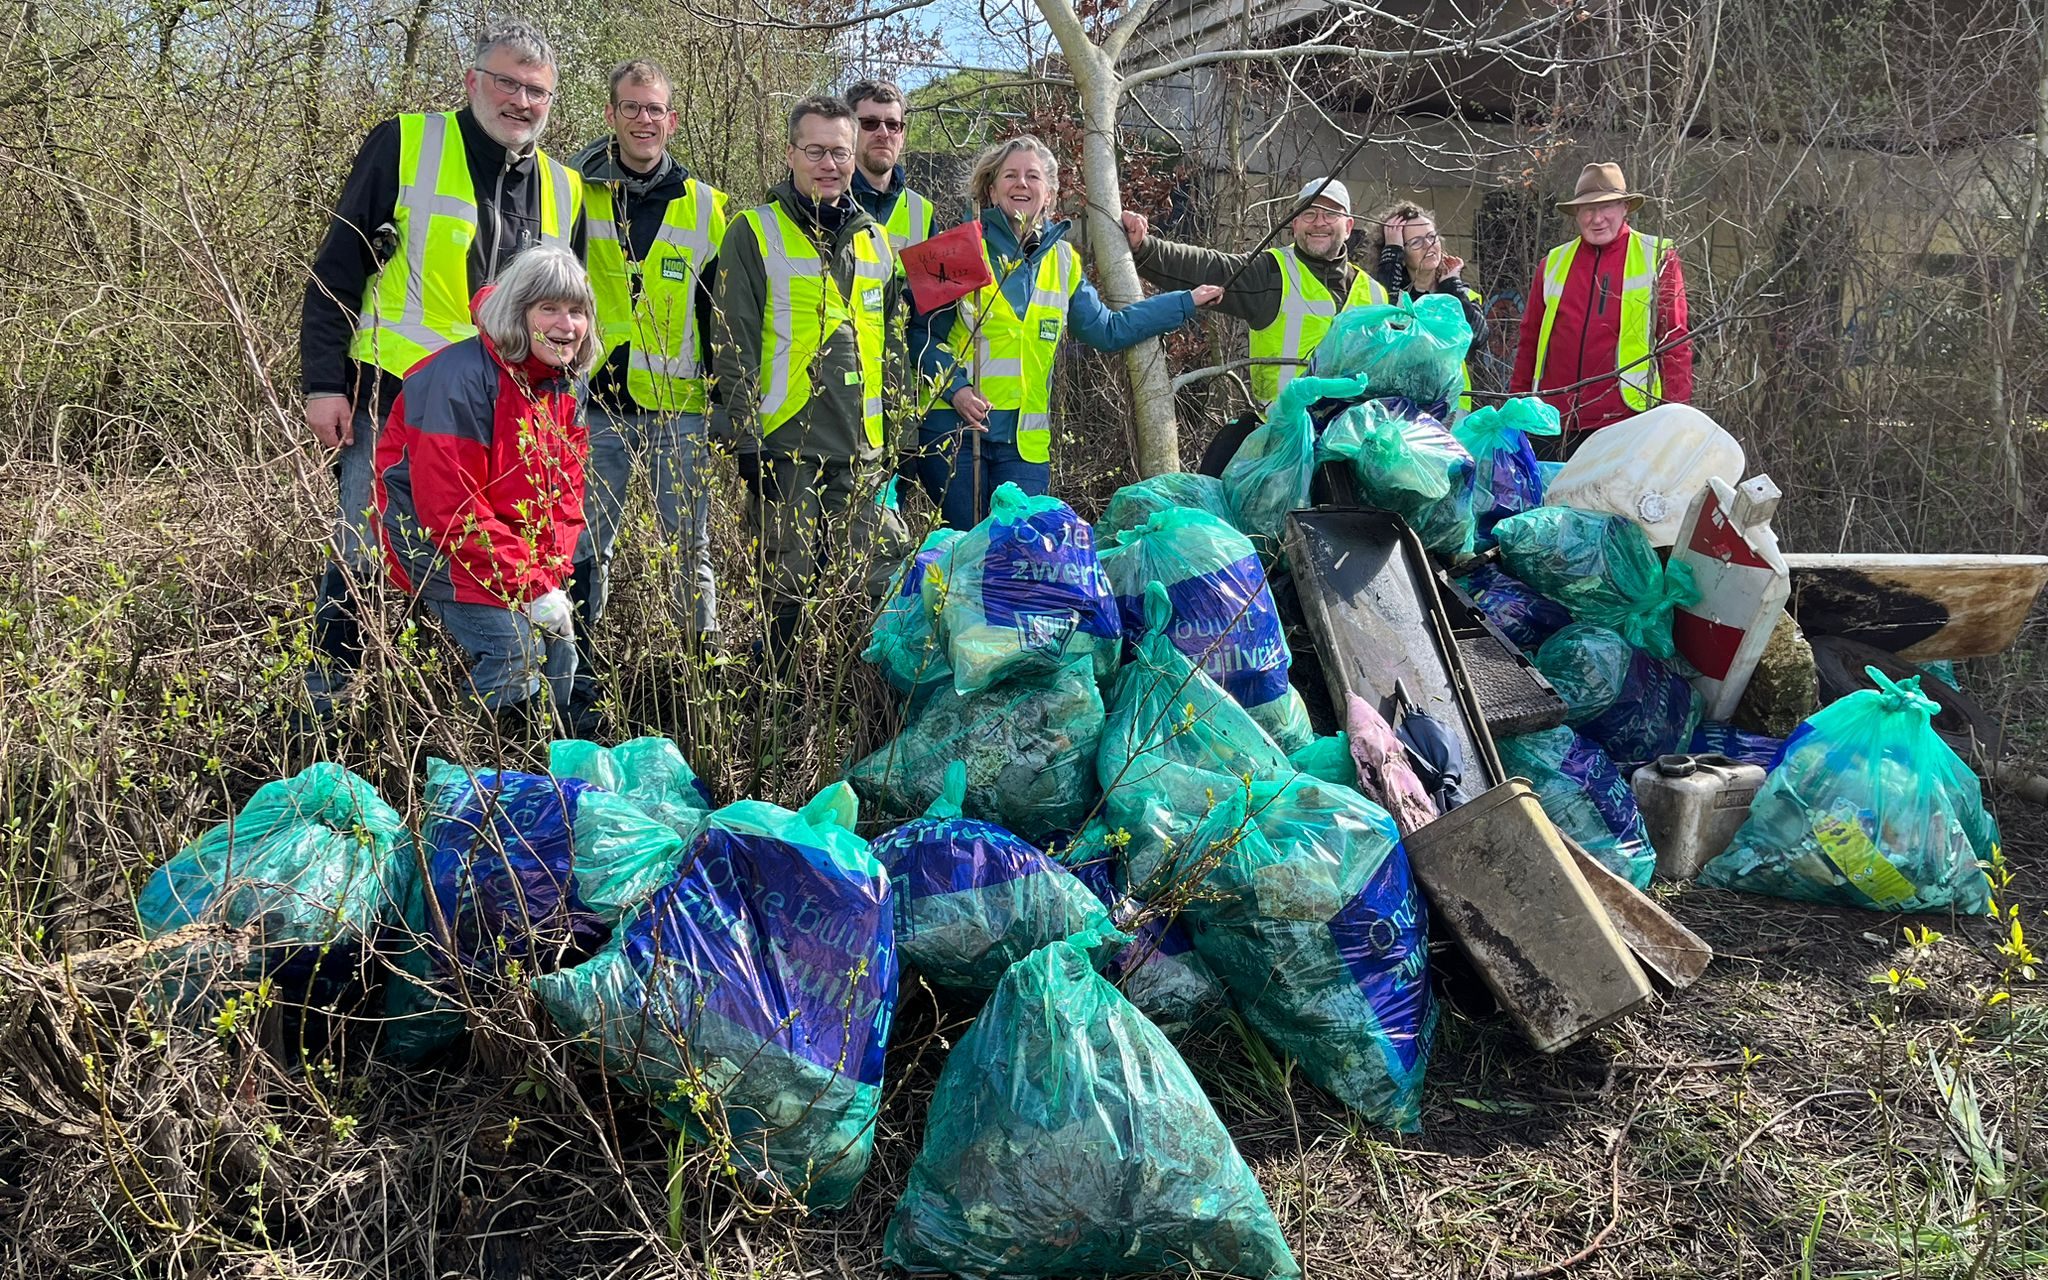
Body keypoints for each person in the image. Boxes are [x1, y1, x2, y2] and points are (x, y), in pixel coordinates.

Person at [299, 21, 584, 715]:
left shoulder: (565, 185)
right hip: (395, 395)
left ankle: (458, 712)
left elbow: (565, 310)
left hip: (509, 410)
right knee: (369, 552)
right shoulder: (406, 143)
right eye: (508, 82)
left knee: (492, 548)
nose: (521, 101)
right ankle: (327, 705)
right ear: (473, 81)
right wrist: (323, 383)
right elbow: (338, 269)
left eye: (536, 91)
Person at [915, 136, 1221, 529]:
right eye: (1010, 175)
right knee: (966, 555)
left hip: (1024, 447)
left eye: (1032, 176)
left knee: (1019, 555)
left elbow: (1108, 330)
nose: (1021, 183)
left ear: (1050, 194)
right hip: (955, 435)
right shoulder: (956, 248)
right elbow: (920, 335)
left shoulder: (1064, 261)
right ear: (992, 189)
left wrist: (1184, 302)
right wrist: (956, 389)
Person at [708, 95, 906, 666]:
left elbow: (891, 342)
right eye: (815, 150)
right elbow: (732, 342)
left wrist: (900, 432)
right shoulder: (753, 231)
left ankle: (856, 702)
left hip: (863, 449)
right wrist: (746, 440)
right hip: (786, 446)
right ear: (790, 153)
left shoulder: (875, 241)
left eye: (840, 152)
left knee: (876, 583)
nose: (829, 164)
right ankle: (779, 712)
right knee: (786, 593)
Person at [373, 246, 596, 730]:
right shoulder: (458, 378)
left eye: (576, 311)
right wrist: (530, 587)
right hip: (432, 544)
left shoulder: (562, 384)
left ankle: (544, 763)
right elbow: (451, 507)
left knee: (562, 651)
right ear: (520, 313)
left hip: (504, 548)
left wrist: (545, 576)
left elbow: (564, 496)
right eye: (549, 309)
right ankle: (479, 761)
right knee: (515, 651)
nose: (566, 325)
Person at [571, 58, 730, 686]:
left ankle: (704, 661)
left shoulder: (707, 206)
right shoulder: (574, 193)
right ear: (611, 115)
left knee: (692, 545)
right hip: (595, 401)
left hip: (679, 407)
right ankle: (578, 663)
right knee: (587, 543)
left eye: (655, 108)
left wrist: (721, 402)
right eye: (632, 107)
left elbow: (718, 314)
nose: (644, 119)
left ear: (671, 118)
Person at [1120, 176, 1386, 408]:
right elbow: (1204, 267)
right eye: (1309, 213)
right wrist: (1144, 248)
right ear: (1294, 224)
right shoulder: (1271, 273)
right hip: (1283, 438)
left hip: (1353, 438)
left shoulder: (1376, 295)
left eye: (1330, 214)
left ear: (1349, 226)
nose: (1319, 222)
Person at [1510, 162, 1693, 455]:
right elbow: (1529, 341)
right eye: (1587, 209)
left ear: (1624, 208)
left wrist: (1677, 417)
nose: (1597, 219)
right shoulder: (1553, 263)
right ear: (1577, 214)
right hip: (1551, 422)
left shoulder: (1657, 258)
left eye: (1606, 207)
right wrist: (1515, 412)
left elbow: (1674, 343)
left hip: (1626, 421)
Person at [1368, 200, 1487, 411]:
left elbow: (1476, 337)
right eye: (1416, 242)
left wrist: (1452, 285)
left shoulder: (1459, 292)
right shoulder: (1388, 293)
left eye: (1432, 237)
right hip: (1397, 408)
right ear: (1401, 255)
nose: (1429, 246)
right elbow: (1384, 322)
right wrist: (1392, 255)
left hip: (1451, 408)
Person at [845, 79, 935, 250]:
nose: (883, 133)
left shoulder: (921, 211)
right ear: (848, 131)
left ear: (902, 137)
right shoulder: (828, 200)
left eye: (893, 125)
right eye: (870, 123)